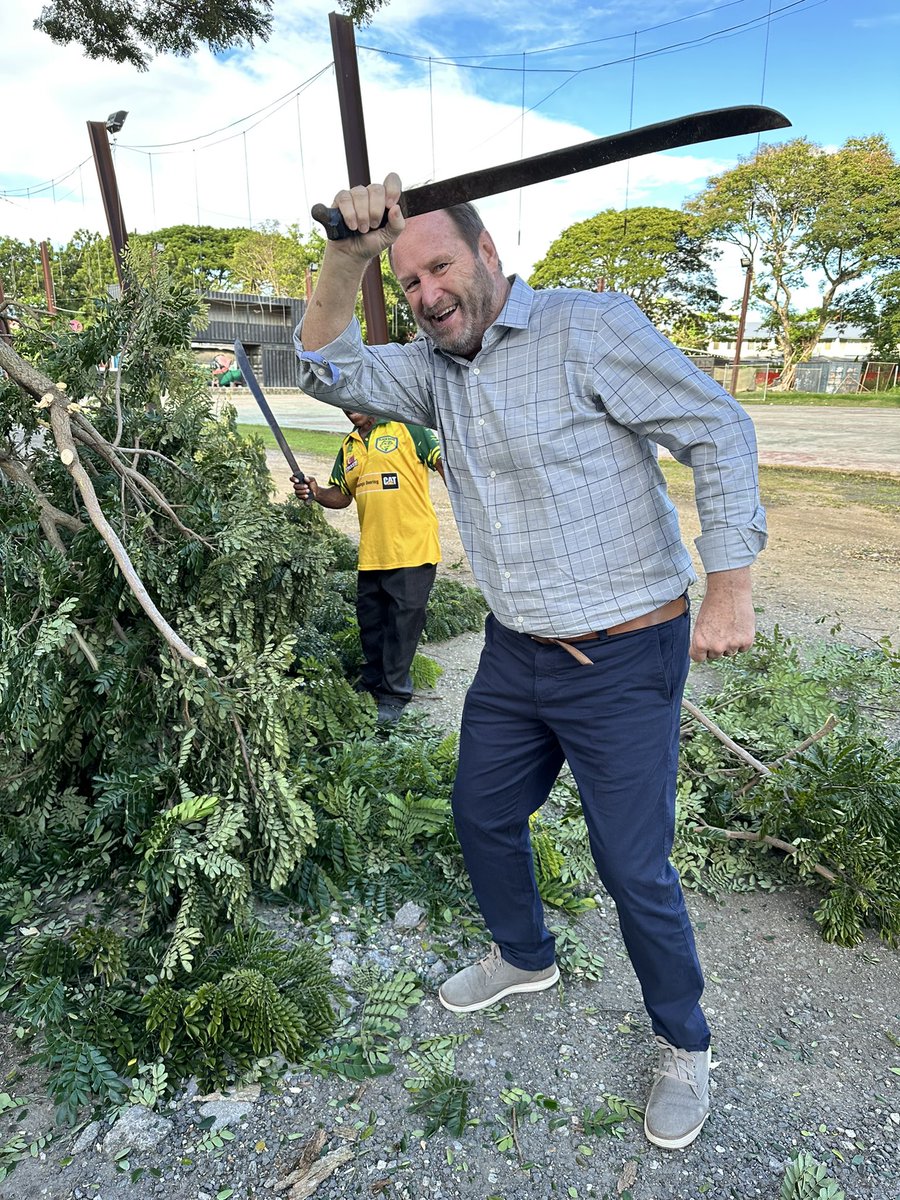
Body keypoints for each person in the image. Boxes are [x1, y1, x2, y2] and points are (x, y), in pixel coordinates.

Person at [292, 174, 766, 1150]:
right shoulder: (432, 369)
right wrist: (345, 258)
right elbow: (325, 370)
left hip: (624, 654)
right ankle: (524, 954)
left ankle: (685, 1043)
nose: (427, 293)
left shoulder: (588, 329)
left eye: (440, 267)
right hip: (516, 651)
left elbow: (718, 427)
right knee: (480, 811)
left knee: (631, 864)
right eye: (409, 280)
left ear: (488, 253)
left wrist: (729, 584)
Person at [293, 409, 444, 724]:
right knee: (371, 626)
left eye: (353, 400)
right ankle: (372, 683)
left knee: (401, 629)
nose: (349, 408)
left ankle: (394, 695)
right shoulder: (349, 445)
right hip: (373, 553)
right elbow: (342, 495)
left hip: (413, 549)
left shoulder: (407, 428)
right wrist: (316, 491)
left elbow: (444, 463)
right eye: (343, 404)